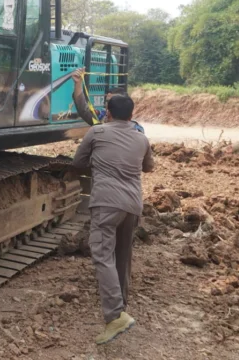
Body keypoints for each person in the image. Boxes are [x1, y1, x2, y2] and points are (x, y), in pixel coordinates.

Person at [72, 94, 154, 345]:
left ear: (107, 112)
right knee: (122, 255)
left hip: (106, 203)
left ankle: (115, 315)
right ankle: (122, 306)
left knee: (102, 255)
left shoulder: (97, 133)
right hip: (132, 205)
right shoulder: (142, 138)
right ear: (131, 114)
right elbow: (149, 167)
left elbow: (78, 162)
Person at [71, 68, 144, 133]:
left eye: (112, 102)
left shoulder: (136, 130)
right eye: (107, 101)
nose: (108, 105)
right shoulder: (101, 119)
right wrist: (78, 83)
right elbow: (83, 109)